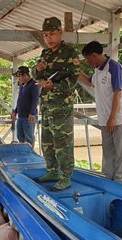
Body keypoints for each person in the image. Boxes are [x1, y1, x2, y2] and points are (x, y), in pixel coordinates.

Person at [31, 17, 80, 191]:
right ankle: (52, 170)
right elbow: (35, 75)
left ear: (60, 33)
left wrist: (55, 85)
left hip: (61, 106)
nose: (48, 38)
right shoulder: (46, 54)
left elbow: (74, 79)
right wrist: (38, 71)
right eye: (45, 35)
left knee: (62, 142)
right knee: (47, 141)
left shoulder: (70, 53)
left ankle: (65, 176)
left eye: (52, 34)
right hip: (46, 105)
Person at [79, 41, 122, 182]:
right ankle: (108, 179)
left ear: (94, 55)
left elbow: (117, 92)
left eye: (87, 58)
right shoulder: (98, 70)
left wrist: (113, 117)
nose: (87, 62)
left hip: (119, 118)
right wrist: (75, 70)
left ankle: (120, 181)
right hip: (104, 119)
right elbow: (90, 82)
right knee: (108, 152)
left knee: (121, 152)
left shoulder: (114, 67)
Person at [12, 66, 40, 148]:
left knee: (29, 138)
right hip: (20, 116)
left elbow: (35, 100)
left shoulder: (33, 84)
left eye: (19, 76)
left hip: (28, 116)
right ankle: (23, 154)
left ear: (25, 75)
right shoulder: (21, 85)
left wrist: (32, 113)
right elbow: (19, 100)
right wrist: (15, 111)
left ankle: (30, 155)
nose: (19, 79)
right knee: (20, 137)